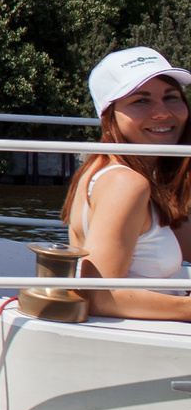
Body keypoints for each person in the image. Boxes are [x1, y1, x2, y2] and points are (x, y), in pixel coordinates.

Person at [62, 46, 191, 320]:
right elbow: (98, 296)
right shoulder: (126, 183)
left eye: (171, 97)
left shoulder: (106, 169)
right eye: (141, 101)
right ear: (109, 114)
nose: (162, 113)